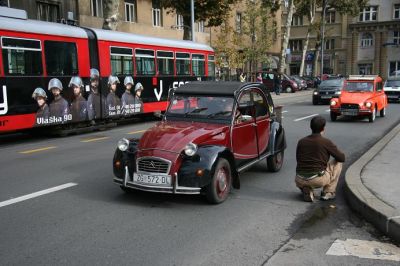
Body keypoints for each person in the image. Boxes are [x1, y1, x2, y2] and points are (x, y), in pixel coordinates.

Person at [295, 115, 345, 202]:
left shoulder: (301, 141)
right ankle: (328, 192)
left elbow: (298, 159)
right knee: (338, 162)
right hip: (317, 180)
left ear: (311, 127)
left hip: (299, 179)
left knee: (307, 171)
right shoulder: (326, 142)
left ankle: (307, 189)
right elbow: (342, 158)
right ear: (323, 128)